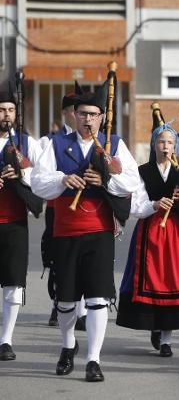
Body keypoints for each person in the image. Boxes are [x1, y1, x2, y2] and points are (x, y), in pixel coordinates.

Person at [31, 80, 140, 382]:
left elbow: (131, 182)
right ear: (74, 115)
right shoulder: (56, 144)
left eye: (94, 114)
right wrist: (63, 180)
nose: (88, 119)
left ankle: (94, 358)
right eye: (82, 114)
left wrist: (103, 180)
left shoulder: (113, 145)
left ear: (101, 118)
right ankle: (68, 346)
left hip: (99, 231)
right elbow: (39, 182)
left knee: (97, 298)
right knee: (65, 300)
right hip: (66, 231)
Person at [116, 122, 179, 357]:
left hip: (177, 233)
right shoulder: (143, 171)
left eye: (170, 143)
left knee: (174, 281)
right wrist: (154, 204)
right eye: (161, 142)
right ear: (154, 144)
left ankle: (166, 340)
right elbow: (135, 204)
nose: (165, 146)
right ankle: (155, 326)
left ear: (175, 147)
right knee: (151, 279)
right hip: (151, 230)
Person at [0, 82, 43, 361]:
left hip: (15, 221)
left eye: (11, 110)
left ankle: (6, 339)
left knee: (13, 283)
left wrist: (22, 177)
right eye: (2, 110)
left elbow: (43, 181)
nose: (6, 114)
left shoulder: (30, 144)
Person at [40, 89, 88, 330]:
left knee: (83, 263)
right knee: (58, 259)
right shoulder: (50, 141)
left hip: (87, 211)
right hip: (57, 207)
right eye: (72, 110)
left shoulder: (94, 140)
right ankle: (57, 303)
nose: (77, 116)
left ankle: (80, 312)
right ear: (66, 112)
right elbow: (40, 176)